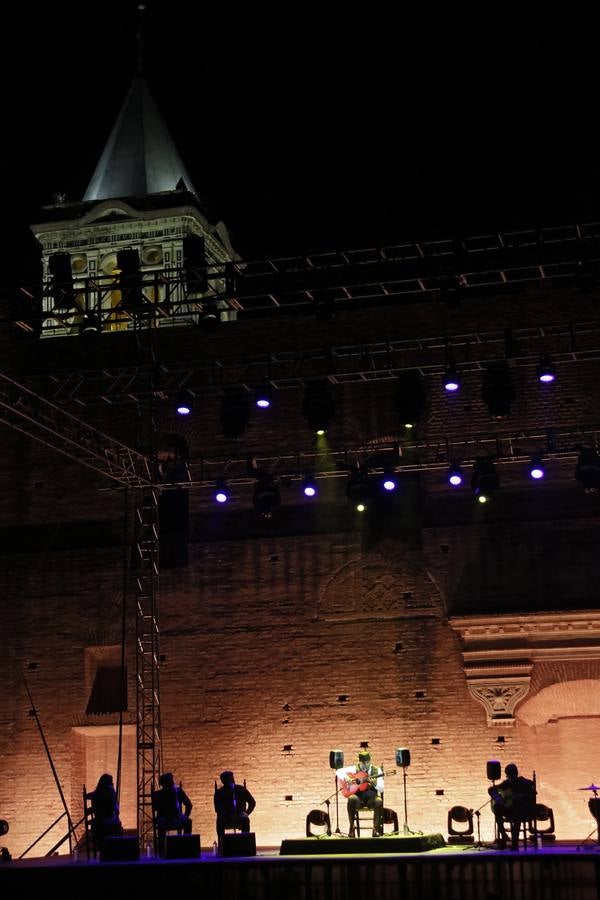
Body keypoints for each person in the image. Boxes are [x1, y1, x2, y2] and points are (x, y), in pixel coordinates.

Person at [336, 749, 384, 837]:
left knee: (379, 801)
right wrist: (347, 778)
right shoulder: (355, 769)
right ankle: (352, 827)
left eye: (367, 762)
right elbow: (338, 771)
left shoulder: (377, 771)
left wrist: (375, 784)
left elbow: (381, 789)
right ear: (360, 762)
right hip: (359, 799)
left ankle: (376, 829)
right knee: (351, 799)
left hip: (371, 799)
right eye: (363, 763)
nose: (365, 765)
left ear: (370, 761)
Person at [488, 763, 535, 850]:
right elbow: (492, 789)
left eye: (509, 775)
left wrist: (519, 796)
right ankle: (503, 835)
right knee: (497, 809)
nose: (508, 777)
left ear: (515, 774)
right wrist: (499, 799)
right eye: (507, 776)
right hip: (510, 808)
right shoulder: (507, 783)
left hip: (522, 810)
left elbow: (531, 791)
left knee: (517, 813)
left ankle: (515, 842)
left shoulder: (523, 782)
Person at [152, 772, 193, 855]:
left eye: (171, 781)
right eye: (169, 782)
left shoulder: (178, 791)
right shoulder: (158, 794)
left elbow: (189, 805)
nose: (171, 783)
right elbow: (155, 808)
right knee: (161, 823)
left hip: (177, 817)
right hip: (164, 818)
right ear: (163, 784)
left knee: (188, 822)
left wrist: (185, 816)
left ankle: (186, 846)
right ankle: (162, 850)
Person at [214, 771, 256, 841]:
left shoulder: (241, 789)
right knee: (220, 821)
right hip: (226, 816)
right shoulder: (219, 792)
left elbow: (252, 802)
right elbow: (217, 808)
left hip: (240, 815)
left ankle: (245, 843)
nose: (230, 780)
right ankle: (221, 845)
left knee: (245, 820)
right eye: (226, 779)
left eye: (230, 778)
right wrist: (225, 815)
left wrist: (246, 813)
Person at [87, 773, 122, 850]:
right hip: (106, 822)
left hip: (98, 822)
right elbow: (117, 811)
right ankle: (115, 846)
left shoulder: (95, 794)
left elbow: (89, 796)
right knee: (117, 822)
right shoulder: (111, 793)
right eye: (111, 782)